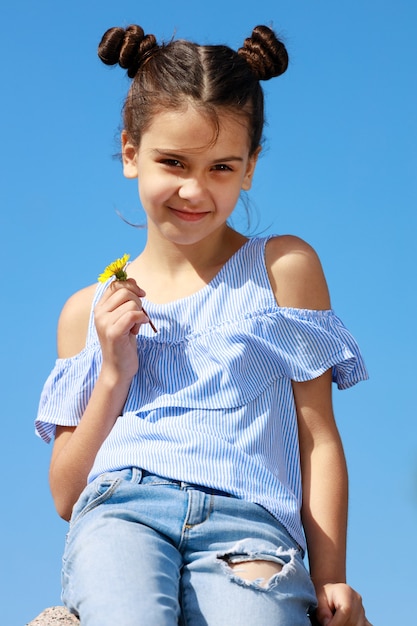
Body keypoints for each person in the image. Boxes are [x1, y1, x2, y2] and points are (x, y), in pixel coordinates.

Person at [36, 23, 372, 626]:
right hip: (121, 512)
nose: (195, 189)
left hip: (250, 524)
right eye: (173, 162)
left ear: (250, 168)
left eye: (222, 167)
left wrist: (332, 579)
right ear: (131, 153)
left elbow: (317, 436)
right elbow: (65, 495)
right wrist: (113, 371)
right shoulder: (86, 310)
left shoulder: (284, 269)